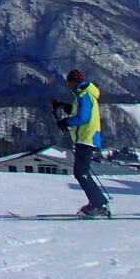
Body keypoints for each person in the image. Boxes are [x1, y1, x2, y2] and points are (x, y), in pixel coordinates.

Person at [53, 68, 110, 218]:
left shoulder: (84, 96)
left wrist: (66, 122)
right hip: (87, 138)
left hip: (86, 138)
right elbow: (79, 112)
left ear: (72, 82)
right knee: (82, 172)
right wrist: (65, 107)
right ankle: (98, 203)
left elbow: (83, 118)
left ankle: (98, 205)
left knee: (81, 173)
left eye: (68, 82)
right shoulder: (86, 95)